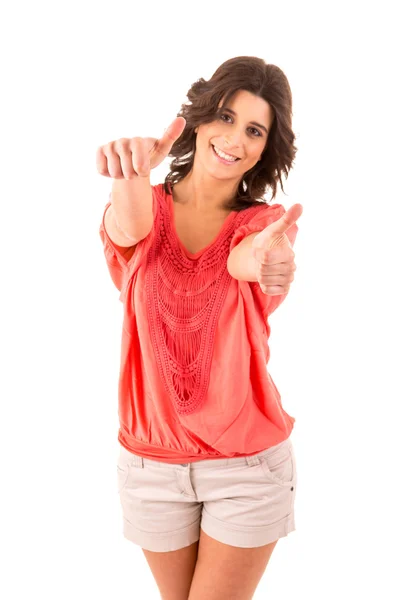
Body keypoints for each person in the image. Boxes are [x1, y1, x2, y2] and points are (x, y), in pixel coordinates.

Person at [96, 55, 303, 600]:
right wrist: (133, 174)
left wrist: (265, 260)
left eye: (254, 129)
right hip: (150, 464)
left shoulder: (260, 226)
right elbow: (132, 226)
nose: (235, 138)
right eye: (227, 117)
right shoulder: (142, 205)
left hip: (246, 468)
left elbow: (247, 257)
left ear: (265, 148)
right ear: (201, 117)